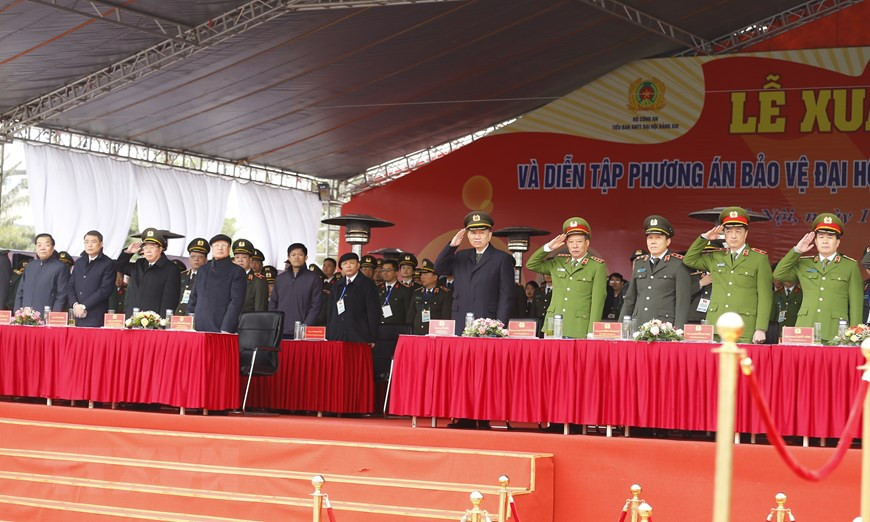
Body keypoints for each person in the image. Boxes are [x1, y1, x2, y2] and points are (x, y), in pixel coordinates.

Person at [683, 207, 772, 344]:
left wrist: (760, 328)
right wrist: (704, 238)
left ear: (746, 233)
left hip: (744, 326)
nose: (733, 236)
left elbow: (765, 296)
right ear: (723, 233)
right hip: (715, 326)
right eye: (729, 231)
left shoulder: (758, 258)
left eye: (738, 231)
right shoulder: (716, 256)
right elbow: (689, 260)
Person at [772, 213, 863, 342]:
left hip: (835, 330)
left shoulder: (849, 266)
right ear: (815, 241)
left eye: (830, 237)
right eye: (821, 237)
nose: (825, 241)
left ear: (838, 242)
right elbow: (778, 274)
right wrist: (797, 250)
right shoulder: (804, 263)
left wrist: (855, 333)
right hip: (806, 327)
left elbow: (856, 303)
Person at [434, 211, 515, 335]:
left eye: (482, 233)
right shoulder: (461, 255)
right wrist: (452, 246)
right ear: (467, 235)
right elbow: (439, 268)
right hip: (461, 318)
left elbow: (506, 295)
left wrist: (499, 325)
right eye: (472, 233)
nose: (477, 237)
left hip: (488, 321)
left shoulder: (502, 258)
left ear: (490, 235)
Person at [526, 217, 607, 338]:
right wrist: (549, 247)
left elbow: (598, 301)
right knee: (551, 357)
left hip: (579, 327)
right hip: (552, 325)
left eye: (579, 242)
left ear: (587, 243)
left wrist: (592, 331)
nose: (574, 246)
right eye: (570, 242)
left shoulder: (596, 266)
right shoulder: (559, 261)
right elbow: (531, 264)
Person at [620, 215, 692, 329]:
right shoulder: (639, 263)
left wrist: (679, 330)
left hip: (665, 327)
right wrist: (622, 326)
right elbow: (630, 299)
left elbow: (682, 302)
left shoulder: (678, 264)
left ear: (668, 241)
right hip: (639, 325)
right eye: (650, 238)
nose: (653, 242)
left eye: (658, 238)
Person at [115, 228, 181, 317]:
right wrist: (128, 253)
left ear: (160, 249)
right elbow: (119, 266)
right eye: (146, 247)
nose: (148, 251)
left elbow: (169, 300)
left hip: (154, 322)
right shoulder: (139, 264)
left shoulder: (171, 269)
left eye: (152, 247)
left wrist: (162, 323)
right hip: (132, 318)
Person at [188, 234, 247, 333]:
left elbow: (236, 302)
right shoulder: (203, 269)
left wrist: (226, 328)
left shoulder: (237, 271)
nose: (220, 248)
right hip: (197, 325)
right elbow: (194, 297)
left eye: (223, 245)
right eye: (216, 245)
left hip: (220, 326)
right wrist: (189, 321)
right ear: (212, 248)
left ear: (229, 249)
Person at [268, 243, 323, 338]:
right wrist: (275, 323)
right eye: (293, 255)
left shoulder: (313, 278)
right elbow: (273, 303)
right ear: (288, 258)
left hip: (302, 331)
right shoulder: (280, 278)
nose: (296, 257)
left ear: (306, 257)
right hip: (280, 329)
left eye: (300, 255)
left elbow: (316, 306)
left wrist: (305, 326)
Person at [373, 258, 413, 382]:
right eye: (383, 270)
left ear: (396, 273)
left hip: (396, 330)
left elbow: (408, 312)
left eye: (388, 270)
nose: (385, 273)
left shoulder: (405, 290)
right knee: (379, 361)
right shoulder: (377, 289)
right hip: (379, 329)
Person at [326, 252, 380, 343]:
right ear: (341, 268)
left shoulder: (368, 284)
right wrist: (329, 333)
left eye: (352, 263)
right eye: (345, 264)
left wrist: (372, 336)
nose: (348, 266)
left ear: (358, 265)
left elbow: (373, 312)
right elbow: (330, 312)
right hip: (337, 336)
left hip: (360, 336)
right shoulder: (337, 286)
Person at [67, 230, 115, 327]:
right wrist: (75, 305)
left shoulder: (108, 263)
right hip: (76, 313)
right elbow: (71, 286)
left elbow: (105, 290)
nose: (89, 245)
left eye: (93, 242)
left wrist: (84, 306)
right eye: (86, 242)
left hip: (95, 315)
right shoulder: (79, 262)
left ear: (101, 244)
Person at [15, 233, 70, 312]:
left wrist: (54, 315)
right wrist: (17, 311)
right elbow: (20, 291)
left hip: (46, 316)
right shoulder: (30, 266)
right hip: (25, 316)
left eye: (47, 245)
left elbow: (61, 295)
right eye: (39, 245)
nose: (42, 248)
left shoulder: (60, 267)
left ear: (53, 248)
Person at [410, 258, 453, 335]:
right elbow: (411, 315)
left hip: (435, 334)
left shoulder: (444, 293)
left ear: (435, 277)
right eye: (422, 274)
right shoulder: (417, 292)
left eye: (426, 274)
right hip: (417, 333)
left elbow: (446, 317)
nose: (422, 277)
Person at [232, 239, 268, 312]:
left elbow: (259, 310)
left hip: (248, 322)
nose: (240, 260)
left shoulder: (258, 281)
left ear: (250, 259)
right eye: (237, 257)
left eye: (244, 257)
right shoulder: (228, 278)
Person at [176, 238, 209, 315]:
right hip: (177, 317)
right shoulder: (182, 275)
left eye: (200, 257)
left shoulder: (208, 278)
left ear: (206, 259)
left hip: (196, 317)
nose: (196, 260)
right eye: (193, 256)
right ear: (189, 258)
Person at [767, 278, 801, 343]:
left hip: (795, 333)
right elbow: (772, 317)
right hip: (778, 332)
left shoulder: (801, 294)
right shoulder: (776, 294)